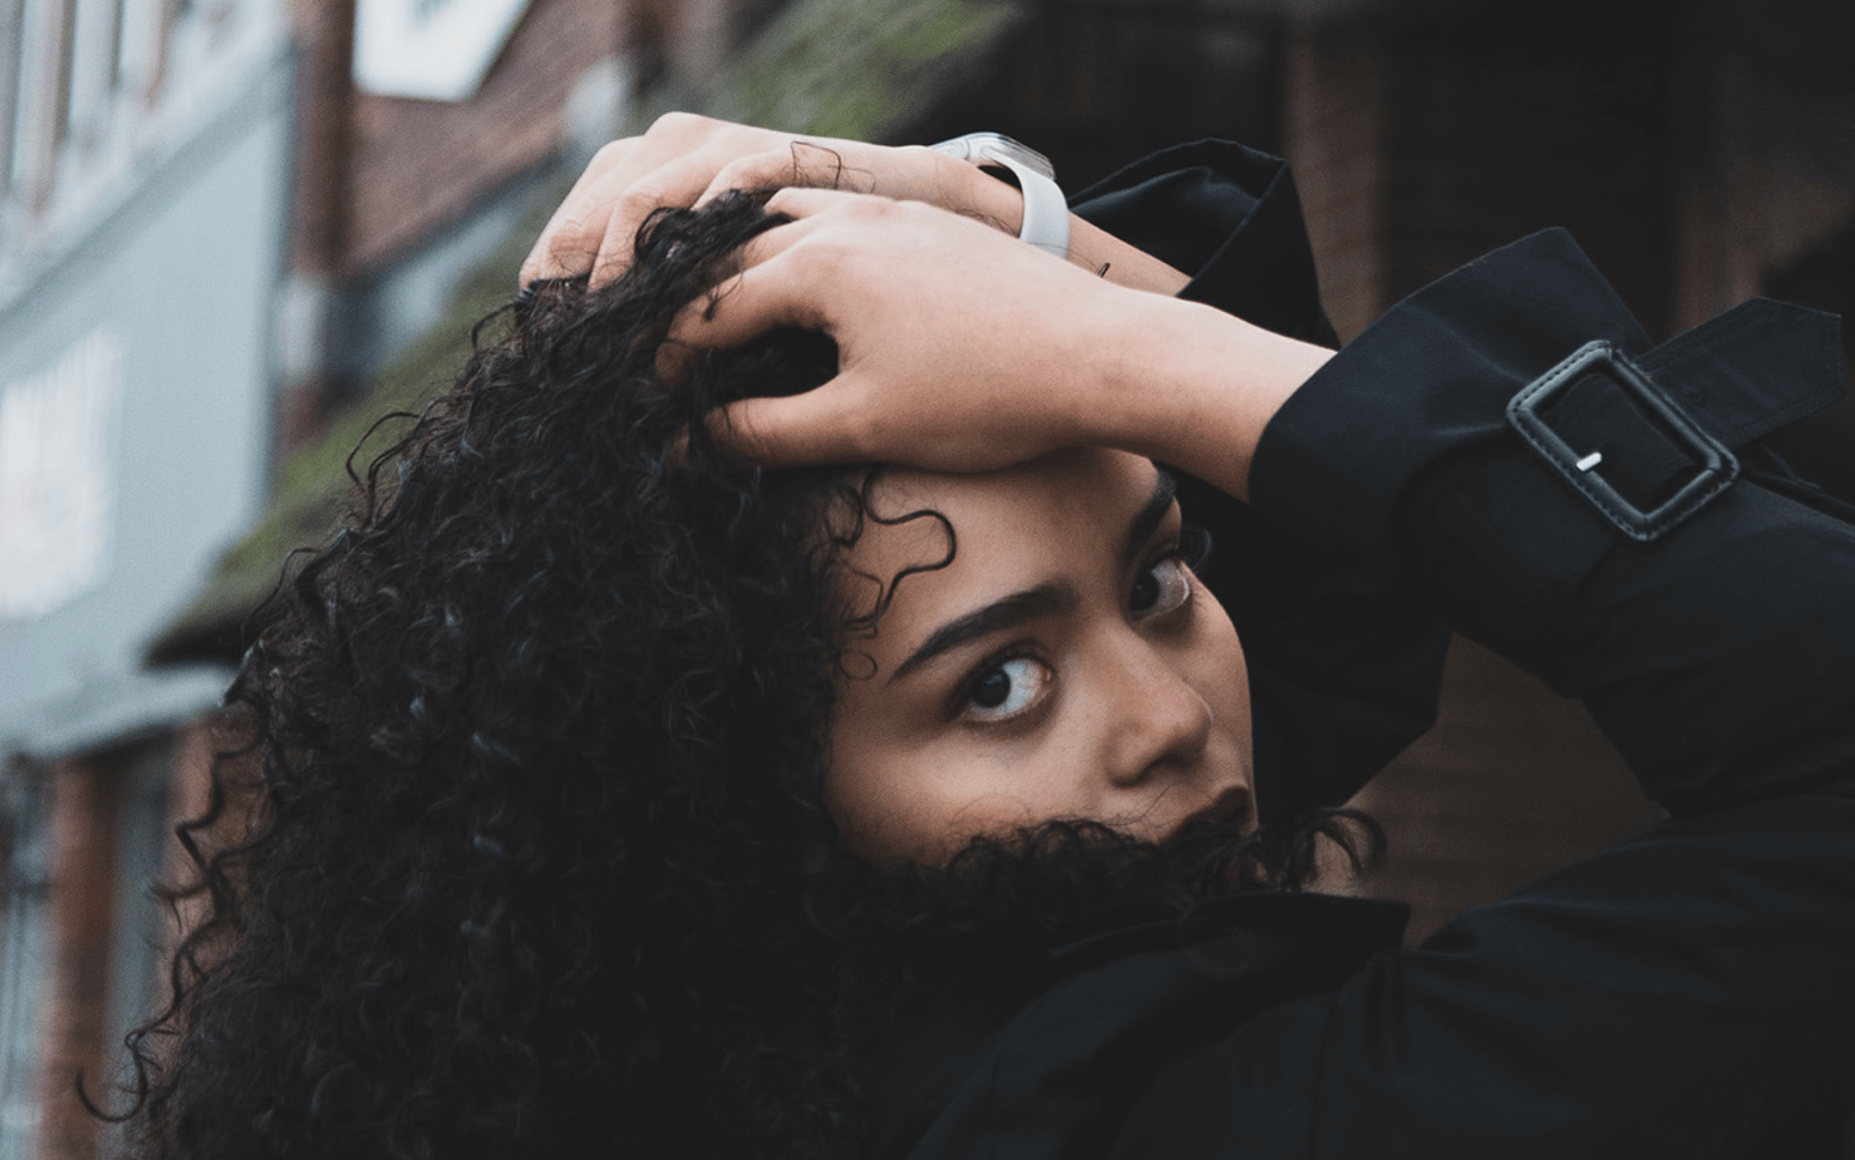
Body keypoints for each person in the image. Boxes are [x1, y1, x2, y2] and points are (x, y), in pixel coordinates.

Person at [120, 118, 1855, 1160]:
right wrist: (1124, 362)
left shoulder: (860, 1028)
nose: (1169, 717)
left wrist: (1000, 247)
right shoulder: (1153, 1122)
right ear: (742, 823)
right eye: (999, 684)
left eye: (1164, 580)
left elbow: (1331, 590)